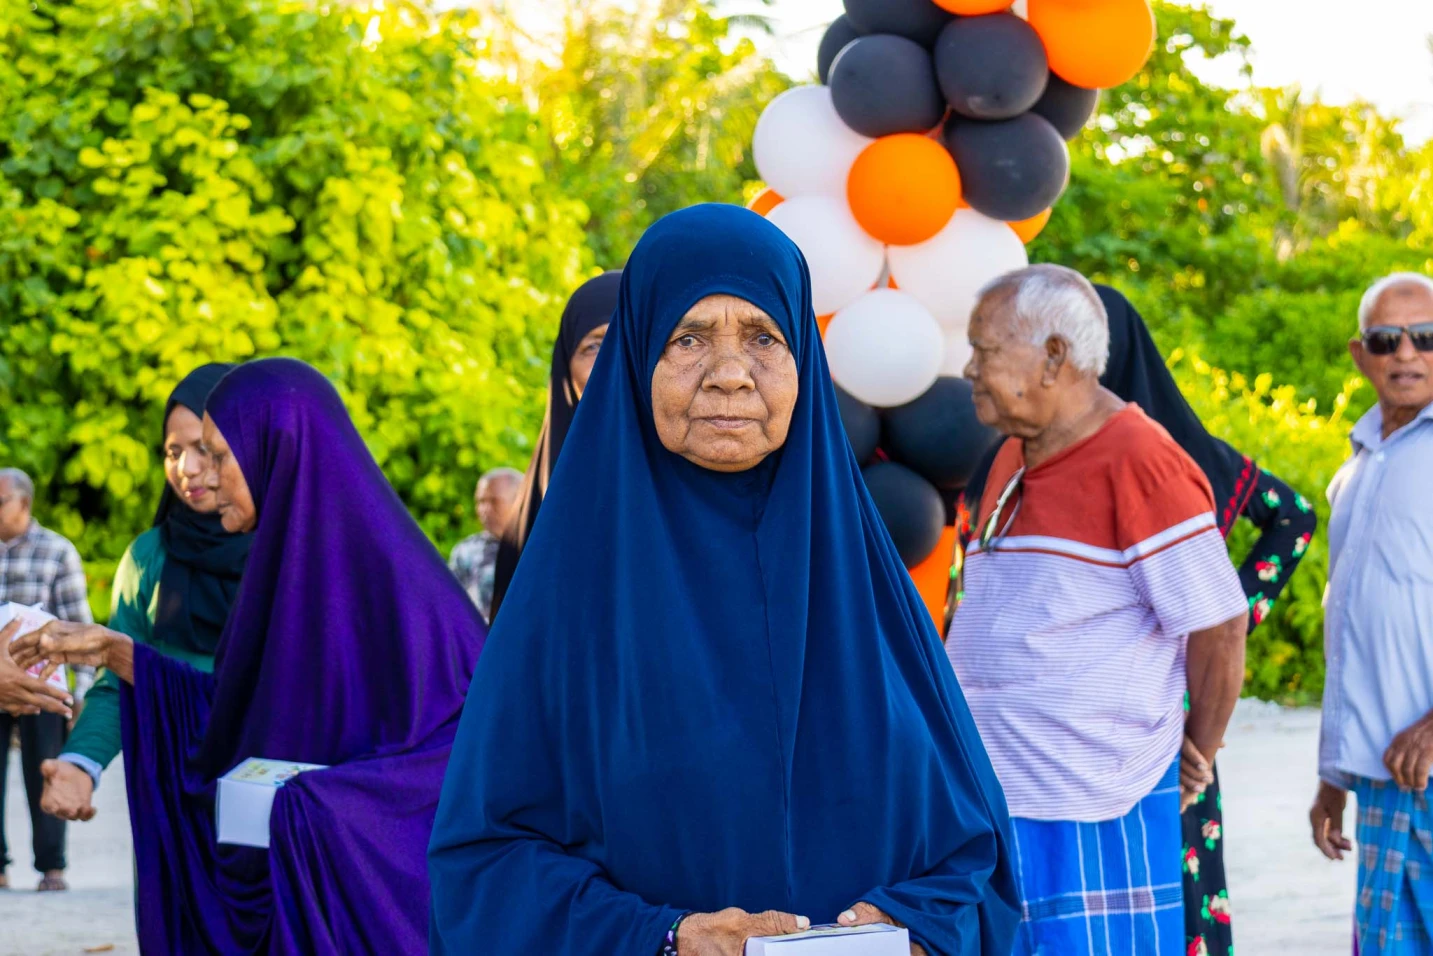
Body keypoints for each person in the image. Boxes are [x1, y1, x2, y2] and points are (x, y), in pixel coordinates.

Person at [429, 204, 1020, 956]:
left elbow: (974, 856)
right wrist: (663, 937)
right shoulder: (566, 600)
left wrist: (916, 931)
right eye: (689, 338)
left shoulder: (864, 589)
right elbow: (482, 865)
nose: (731, 375)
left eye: (764, 337)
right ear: (637, 357)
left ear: (803, 358)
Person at [15, 358, 485, 953]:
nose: (201, 478)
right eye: (182, 453)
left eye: (216, 455)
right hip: (282, 887)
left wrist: (322, 808)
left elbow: (468, 757)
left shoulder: (401, 587)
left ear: (276, 451)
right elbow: (237, 716)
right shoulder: (278, 574)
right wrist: (118, 652)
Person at [963, 284, 1319, 955]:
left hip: (1089, 800)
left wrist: (1198, 747)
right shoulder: (1009, 454)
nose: (968, 369)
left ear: (1054, 356)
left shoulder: (1142, 460)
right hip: (1002, 792)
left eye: (984, 351)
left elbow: (1220, 623)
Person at [41, 365, 251, 826]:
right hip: (175, 793)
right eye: (173, 452)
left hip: (273, 791)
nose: (187, 469)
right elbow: (119, 679)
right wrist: (80, 762)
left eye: (205, 448)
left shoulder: (292, 551)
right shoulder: (149, 557)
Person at [1309, 273, 1433, 955]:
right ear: (1361, 355)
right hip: (1383, 777)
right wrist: (1333, 775)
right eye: (1387, 340)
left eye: (1425, 337)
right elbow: (1350, 628)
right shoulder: (1357, 466)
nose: (1406, 354)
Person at [489, 270, 620, 619]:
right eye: (594, 346)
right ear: (566, 367)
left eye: (628, 340)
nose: (613, 360)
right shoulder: (537, 508)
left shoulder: (708, 485)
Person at [0, 466, 93, 892]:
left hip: (45, 683)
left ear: (24, 503)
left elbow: (81, 627)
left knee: (46, 769)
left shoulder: (57, 551)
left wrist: (81, 693)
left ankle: (51, 867)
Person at [448, 467, 522, 621]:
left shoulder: (538, 549)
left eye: (494, 501)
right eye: (480, 502)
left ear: (520, 501)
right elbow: (450, 604)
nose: (484, 510)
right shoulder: (466, 551)